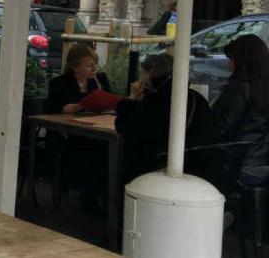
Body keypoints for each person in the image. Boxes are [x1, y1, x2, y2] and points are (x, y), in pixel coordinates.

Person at [115, 53, 213, 180]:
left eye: (143, 74)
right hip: (196, 162)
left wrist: (132, 98)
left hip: (156, 164)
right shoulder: (194, 97)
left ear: (150, 74)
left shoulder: (158, 99)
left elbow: (124, 126)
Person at [46, 43, 112, 217]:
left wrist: (100, 95)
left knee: (107, 149)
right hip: (68, 133)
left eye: (94, 64)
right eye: (88, 65)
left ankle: (105, 195)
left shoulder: (100, 80)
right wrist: (83, 103)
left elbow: (109, 102)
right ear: (75, 66)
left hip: (96, 127)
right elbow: (60, 107)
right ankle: (88, 196)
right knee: (92, 151)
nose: (93, 68)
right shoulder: (60, 83)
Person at [208, 35, 269, 194]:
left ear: (241, 61)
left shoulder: (240, 88)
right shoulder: (262, 87)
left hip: (239, 164)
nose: (229, 65)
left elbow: (222, 129)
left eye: (231, 59)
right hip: (262, 162)